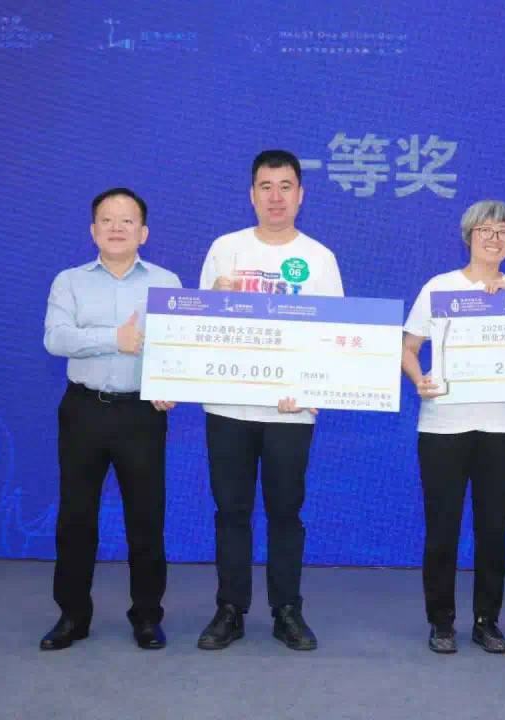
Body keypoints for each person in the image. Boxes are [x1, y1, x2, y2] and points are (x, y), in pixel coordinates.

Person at [196, 150, 343, 652]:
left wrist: (315, 389)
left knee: (285, 512)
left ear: (301, 195)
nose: (275, 196)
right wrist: (215, 301)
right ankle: (230, 609)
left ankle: (287, 610)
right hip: (227, 406)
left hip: (290, 409)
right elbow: (196, 329)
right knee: (231, 511)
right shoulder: (225, 249)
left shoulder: (319, 258)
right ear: (251, 194)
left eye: (285, 186)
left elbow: (336, 335)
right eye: (266, 186)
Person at [40, 188, 181, 651]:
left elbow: (179, 348)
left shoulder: (167, 282)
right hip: (83, 411)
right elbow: (56, 339)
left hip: (142, 413)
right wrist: (113, 339)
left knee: (146, 520)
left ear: (144, 232)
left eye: (127, 220)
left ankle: (147, 616)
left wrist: (173, 383)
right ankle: (72, 616)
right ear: (93, 230)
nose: (116, 228)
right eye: (107, 219)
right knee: (76, 518)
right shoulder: (69, 281)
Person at [400, 200, 505, 654]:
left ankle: (486, 621)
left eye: (503, 232)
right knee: (442, 529)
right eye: (485, 230)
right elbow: (408, 347)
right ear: (468, 236)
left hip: (504, 426)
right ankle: (441, 622)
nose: (493, 239)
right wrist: (419, 380)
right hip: (443, 427)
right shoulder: (439, 287)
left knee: (493, 531)